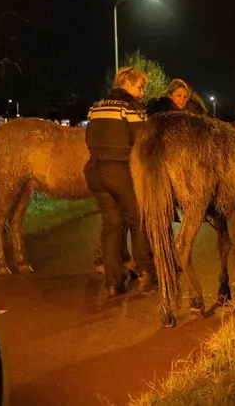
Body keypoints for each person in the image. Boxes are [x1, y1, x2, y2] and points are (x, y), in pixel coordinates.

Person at [84, 66, 155, 296]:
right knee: (139, 219)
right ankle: (145, 271)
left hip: (95, 171)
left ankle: (113, 283)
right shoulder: (130, 107)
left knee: (112, 224)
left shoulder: (95, 107)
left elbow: (89, 138)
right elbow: (143, 139)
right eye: (140, 86)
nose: (142, 92)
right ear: (125, 83)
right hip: (120, 169)